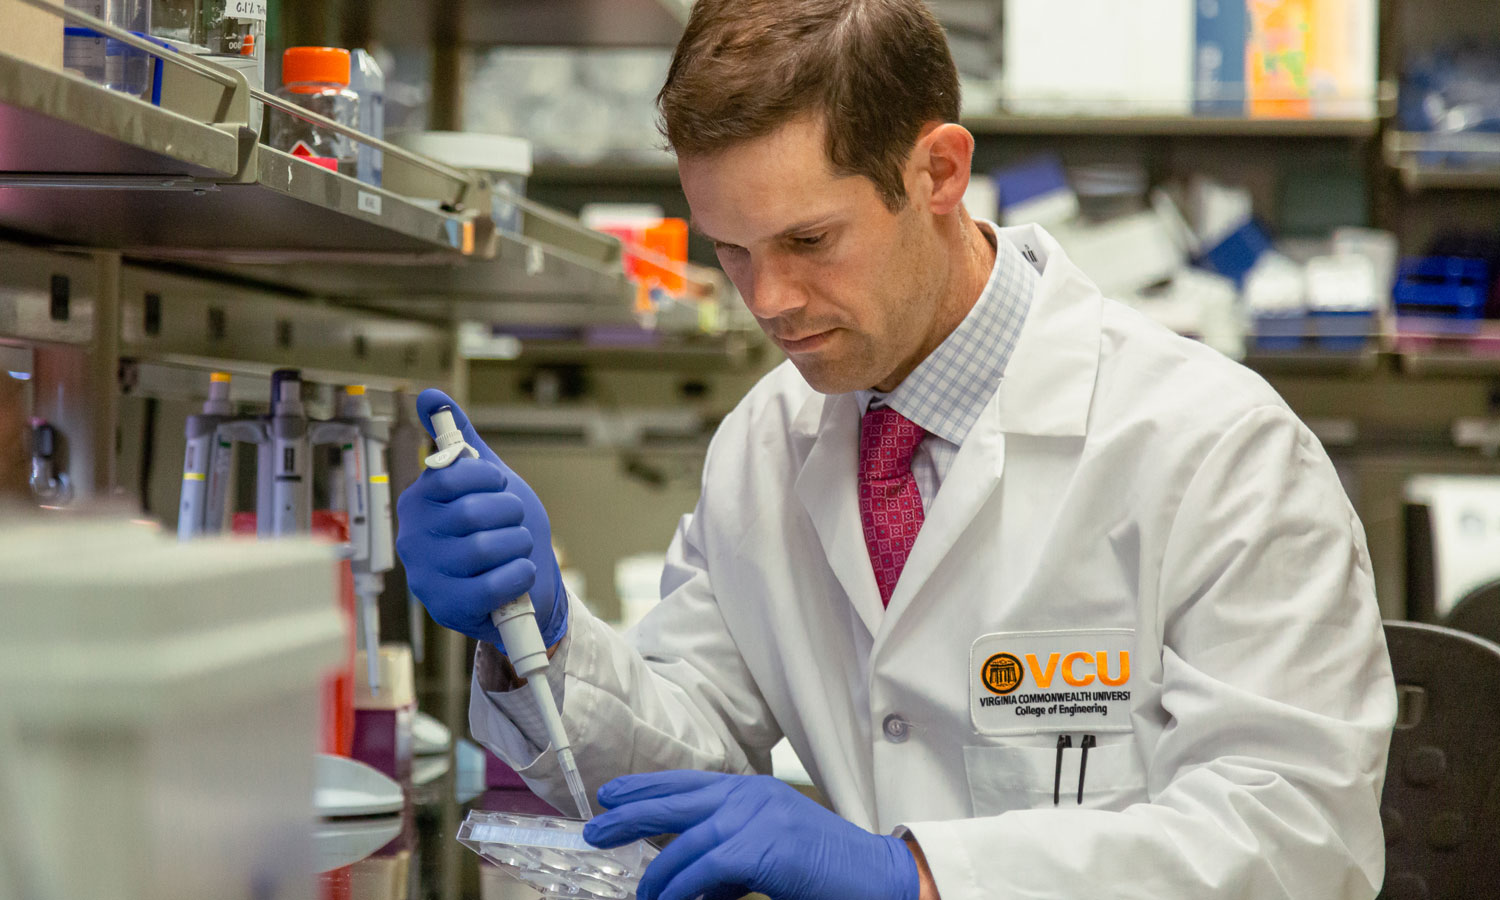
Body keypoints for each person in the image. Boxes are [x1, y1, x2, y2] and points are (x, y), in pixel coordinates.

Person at [396, 1, 1397, 897]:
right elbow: (688, 748)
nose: (769, 301)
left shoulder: (1216, 448)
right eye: (732, 250)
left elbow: (1299, 841)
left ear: (938, 173)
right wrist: (544, 636)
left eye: (810, 242)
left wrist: (912, 876)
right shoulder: (766, 445)